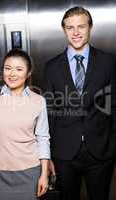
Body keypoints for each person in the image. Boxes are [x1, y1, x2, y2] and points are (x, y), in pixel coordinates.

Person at [42, 6, 116, 200]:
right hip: (64, 153)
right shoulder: (51, 67)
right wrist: (46, 155)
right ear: (64, 30)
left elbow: (114, 105)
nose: (75, 33)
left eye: (81, 27)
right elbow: (49, 112)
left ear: (90, 28)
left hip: (101, 152)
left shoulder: (108, 62)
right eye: (70, 27)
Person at [0, 48, 50, 200]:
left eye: (19, 69)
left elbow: (43, 138)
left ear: (28, 73)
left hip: (30, 172)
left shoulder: (38, 101)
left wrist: (44, 174)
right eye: (7, 68)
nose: (12, 74)